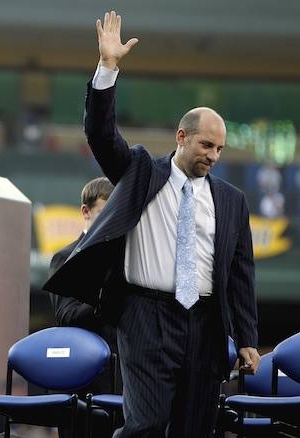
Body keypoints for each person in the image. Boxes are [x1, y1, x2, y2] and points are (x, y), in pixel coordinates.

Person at [44, 11, 260, 438]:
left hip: (205, 322)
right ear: (181, 137)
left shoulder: (232, 201)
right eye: (205, 145)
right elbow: (101, 135)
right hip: (144, 315)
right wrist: (108, 67)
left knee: (194, 428)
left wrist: (248, 336)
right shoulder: (141, 170)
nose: (213, 155)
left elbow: (240, 274)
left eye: (219, 148)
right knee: (143, 424)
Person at [49, 176, 119, 438]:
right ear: (85, 212)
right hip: (81, 384)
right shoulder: (66, 258)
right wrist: (105, 297)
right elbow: (66, 316)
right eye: (104, 213)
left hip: (124, 379)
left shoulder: (128, 258)